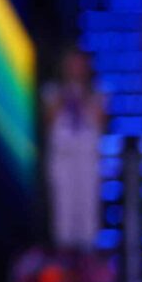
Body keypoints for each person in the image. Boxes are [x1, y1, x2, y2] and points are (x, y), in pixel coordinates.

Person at [42, 47, 107, 258]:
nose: (75, 68)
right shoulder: (52, 91)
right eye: (72, 64)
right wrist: (66, 93)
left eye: (79, 64)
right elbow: (49, 120)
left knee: (87, 205)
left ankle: (89, 254)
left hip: (87, 157)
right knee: (64, 206)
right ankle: (65, 255)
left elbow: (101, 121)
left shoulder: (97, 93)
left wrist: (83, 95)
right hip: (63, 156)